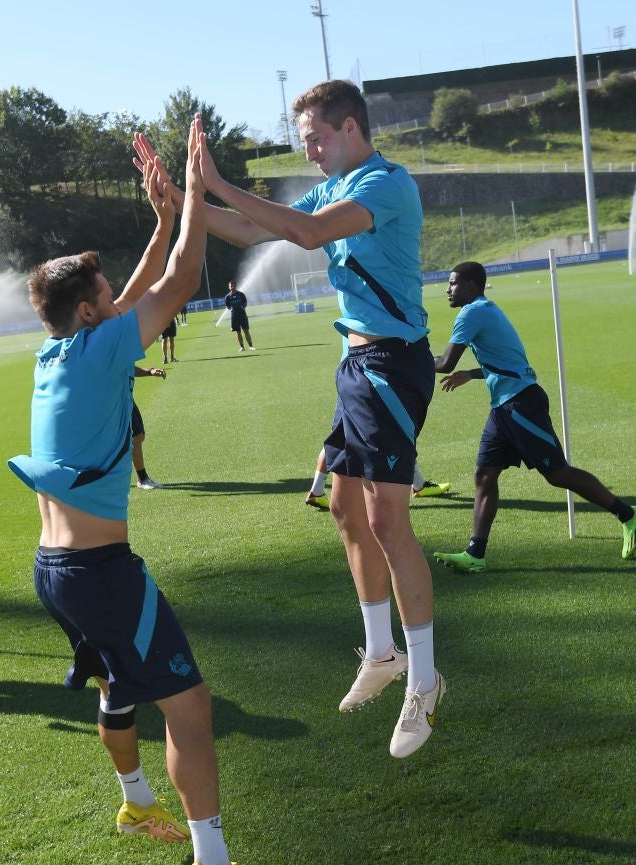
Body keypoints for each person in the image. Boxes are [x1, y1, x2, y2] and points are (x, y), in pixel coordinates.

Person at [140, 80, 443, 758]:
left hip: (392, 365)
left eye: (315, 138)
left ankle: (425, 681)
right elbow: (253, 229)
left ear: (350, 128)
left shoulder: (385, 184)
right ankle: (381, 653)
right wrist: (183, 200)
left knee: (388, 521)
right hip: (357, 365)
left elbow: (304, 235)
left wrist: (216, 180)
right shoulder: (334, 188)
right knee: (344, 507)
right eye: (304, 140)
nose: (308, 151)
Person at [6, 121, 269, 865]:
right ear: (90, 315)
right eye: (103, 294)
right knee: (191, 707)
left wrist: (159, 219)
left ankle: (134, 805)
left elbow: (134, 292)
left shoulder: (57, 352)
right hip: (100, 573)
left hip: (55, 571)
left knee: (118, 685)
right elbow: (181, 280)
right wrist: (192, 192)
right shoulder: (101, 349)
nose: (115, 297)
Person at [430, 262, 636, 572]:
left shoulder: (471, 313)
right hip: (504, 407)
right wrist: (472, 373)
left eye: (452, 283)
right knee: (485, 476)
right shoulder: (485, 309)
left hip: (521, 405)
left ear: (471, 285)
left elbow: (444, 362)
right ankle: (475, 554)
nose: (448, 290)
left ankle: (628, 514)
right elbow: (507, 359)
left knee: (557, 474)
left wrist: (407, 358)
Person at [305, 447, 450, 509]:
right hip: (364, 395)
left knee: (338, 437)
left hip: (352, 395)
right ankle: (419, 485)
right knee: (397, 432)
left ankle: (316, 491)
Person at [131, 366, 167, 490]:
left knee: (138, 436)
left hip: (126, 398)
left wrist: (149, 371)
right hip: (115, 400)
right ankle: (142, 479)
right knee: (136, 436)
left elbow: (127, 366)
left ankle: (142, 478)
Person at [223, 281, 254, 351]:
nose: (232, 287)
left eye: (233, 286)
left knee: (246, 330)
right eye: (231, 286)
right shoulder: (227, 297)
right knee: (238, 332)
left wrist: (242, 308)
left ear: (235, 286)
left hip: (242, 315)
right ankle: (242, 347)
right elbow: (228, 306)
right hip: (234, 316)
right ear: (229, 287)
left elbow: (245, 302)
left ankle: (251, 346)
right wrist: (232, 309)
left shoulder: (241, 294)